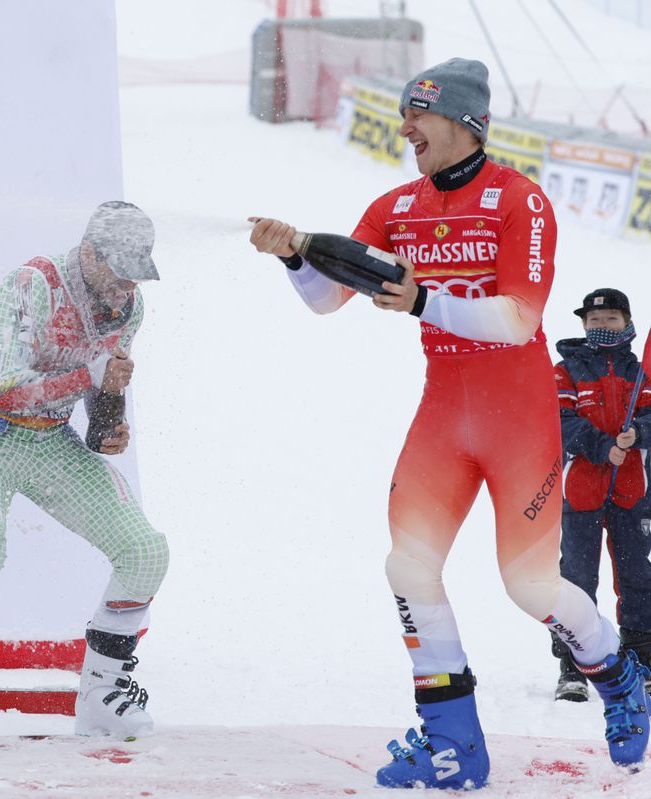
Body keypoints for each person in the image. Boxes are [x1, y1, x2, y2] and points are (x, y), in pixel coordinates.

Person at [250, 58, 650, 787]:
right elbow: (326, 299)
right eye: (404, 113)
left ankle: (621, 676)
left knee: (529, 588)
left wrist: (423, 301)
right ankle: (453, 742)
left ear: (464, 122)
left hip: (519, 417)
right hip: (446, 411)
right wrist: (294, 258)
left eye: (419, 115)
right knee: (406, 565)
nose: (406, 127)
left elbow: (519, 317)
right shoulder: (396, 207)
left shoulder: (518, 201)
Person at [0, 201, 170, 751]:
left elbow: (103, 390)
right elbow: (11, 386)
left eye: (136, 272)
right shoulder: (32, 282)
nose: (124, 286)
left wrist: (109, 425)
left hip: (48, 442)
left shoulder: (131, 305)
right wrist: (91, 373)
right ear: (89, 254)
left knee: (145, 551)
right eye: (117, 270)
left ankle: (102, 693)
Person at [551, 288, 651, 702]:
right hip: (582, 491)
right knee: (576, 579)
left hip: (632, 491)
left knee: (637, 577)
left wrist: (639, 432)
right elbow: (558, 419)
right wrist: (599, 445)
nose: (602, 326)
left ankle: (641, 660)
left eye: (611, 319)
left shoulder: (642, 371)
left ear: (626, 323)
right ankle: (574, 668)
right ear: (583, 326)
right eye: (594, 321)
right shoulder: (566, 369)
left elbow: (649, 414)